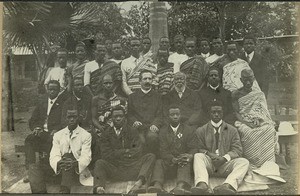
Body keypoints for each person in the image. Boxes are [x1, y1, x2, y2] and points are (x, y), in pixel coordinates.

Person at [93, 106, 156, 194]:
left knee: (150, 156)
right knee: (99, 162)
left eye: (121, 116)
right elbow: (105, 154)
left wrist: (116, 153)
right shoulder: (106, 134)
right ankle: (99, 188)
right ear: (111, 118)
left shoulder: (132, 131)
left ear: (124, 117)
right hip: (116, 169)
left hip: (133, 168)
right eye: (115, 116)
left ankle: (138, 183)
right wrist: (125, 151)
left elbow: (137, 151)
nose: (118, 118)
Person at [191, 100, 249, 195]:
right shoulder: (201, 130)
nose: (216, 114)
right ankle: (202, 184)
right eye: (214, 112)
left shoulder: (232, 130)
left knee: (244, 162)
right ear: (209, 113)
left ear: (223, 113)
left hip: (225, 165)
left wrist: (224, 158)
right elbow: (199, 148)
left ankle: (227, 185)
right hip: (210, 164)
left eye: (219, 112)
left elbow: (237, 150)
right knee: (198, 156)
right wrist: (210, 154)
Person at [25, 80, 69, 191]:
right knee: (29, 140)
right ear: (47, 89)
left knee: (52, 143)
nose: (52, 92)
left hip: (55, 133)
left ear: (59, 91)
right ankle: (30, 169)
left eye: (54, 89)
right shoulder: (42, 102)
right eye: (50, 89)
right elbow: (33, 120)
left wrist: (56, 130)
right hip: (42, 132)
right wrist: (36, 127)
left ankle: (52, 174)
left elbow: (65, 122)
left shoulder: (63, 103)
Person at [232, 69, 277, 168]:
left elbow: (263, 110)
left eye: (250, 79)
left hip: (259, 119)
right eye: (245, 80)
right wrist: (247, 123)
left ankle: (266, 161)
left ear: (254, 79)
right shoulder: (236, 94)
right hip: (242, 120)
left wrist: (258, 119)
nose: (248, 83)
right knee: (247, 132)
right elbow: (236, 113)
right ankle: (252, 161)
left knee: (269, 129)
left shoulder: (259, 94)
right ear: (241, 80)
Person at [148, 106, 196, 195]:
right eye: (172, 115)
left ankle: (180, 186)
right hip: (169, 162)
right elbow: (163, 150)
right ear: (167, 116)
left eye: (177, 114)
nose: (175, 117)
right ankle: (157, 185)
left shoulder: (188, 130)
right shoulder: (163, 131)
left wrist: (189, 155)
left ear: (180, 115)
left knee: (185, 163)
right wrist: (172, 159)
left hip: (182, 161)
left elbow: (193, 147)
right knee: (159, 162)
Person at [49, 109, 92, 193]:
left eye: (74, 117)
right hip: (60, 169)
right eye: (69, 117)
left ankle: (64, 191)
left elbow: (86, 156)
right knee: (35, 168)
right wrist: (59, 162)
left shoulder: (86, 135)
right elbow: (54, 154)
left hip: (77, 170)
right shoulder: (58, 135)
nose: (72, 119)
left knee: (68, 157)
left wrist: (75, 163)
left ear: (78, 118)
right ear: (65, 118)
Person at [127, 70, 163, 155]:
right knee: (140, 141)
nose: (147, 81)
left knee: (152, 138)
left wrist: (155, 124)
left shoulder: (158, 97)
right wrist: (134, 121)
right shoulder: (132, 97)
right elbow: (129, 114)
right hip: (138, 129)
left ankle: (153, 160)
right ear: (140, 81)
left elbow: (160, 114)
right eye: (145, 79)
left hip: (152, 127)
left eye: (150, 79)